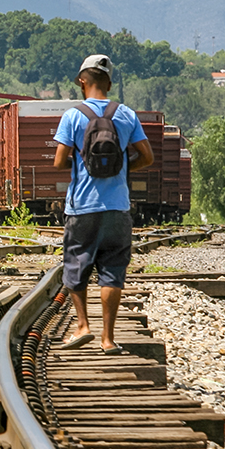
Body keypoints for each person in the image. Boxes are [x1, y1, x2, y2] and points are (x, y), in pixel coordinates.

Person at [51, 53, 155, 355]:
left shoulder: (73, 115)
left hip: (82, 206)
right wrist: (121, 168)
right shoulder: (126, 115)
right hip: (117, 207)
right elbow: (147, 157)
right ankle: (108, 338)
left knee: (76, 266)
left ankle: (82, 326)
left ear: (83, 81)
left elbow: (59, 161)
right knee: (112, 271)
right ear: (108, 83)